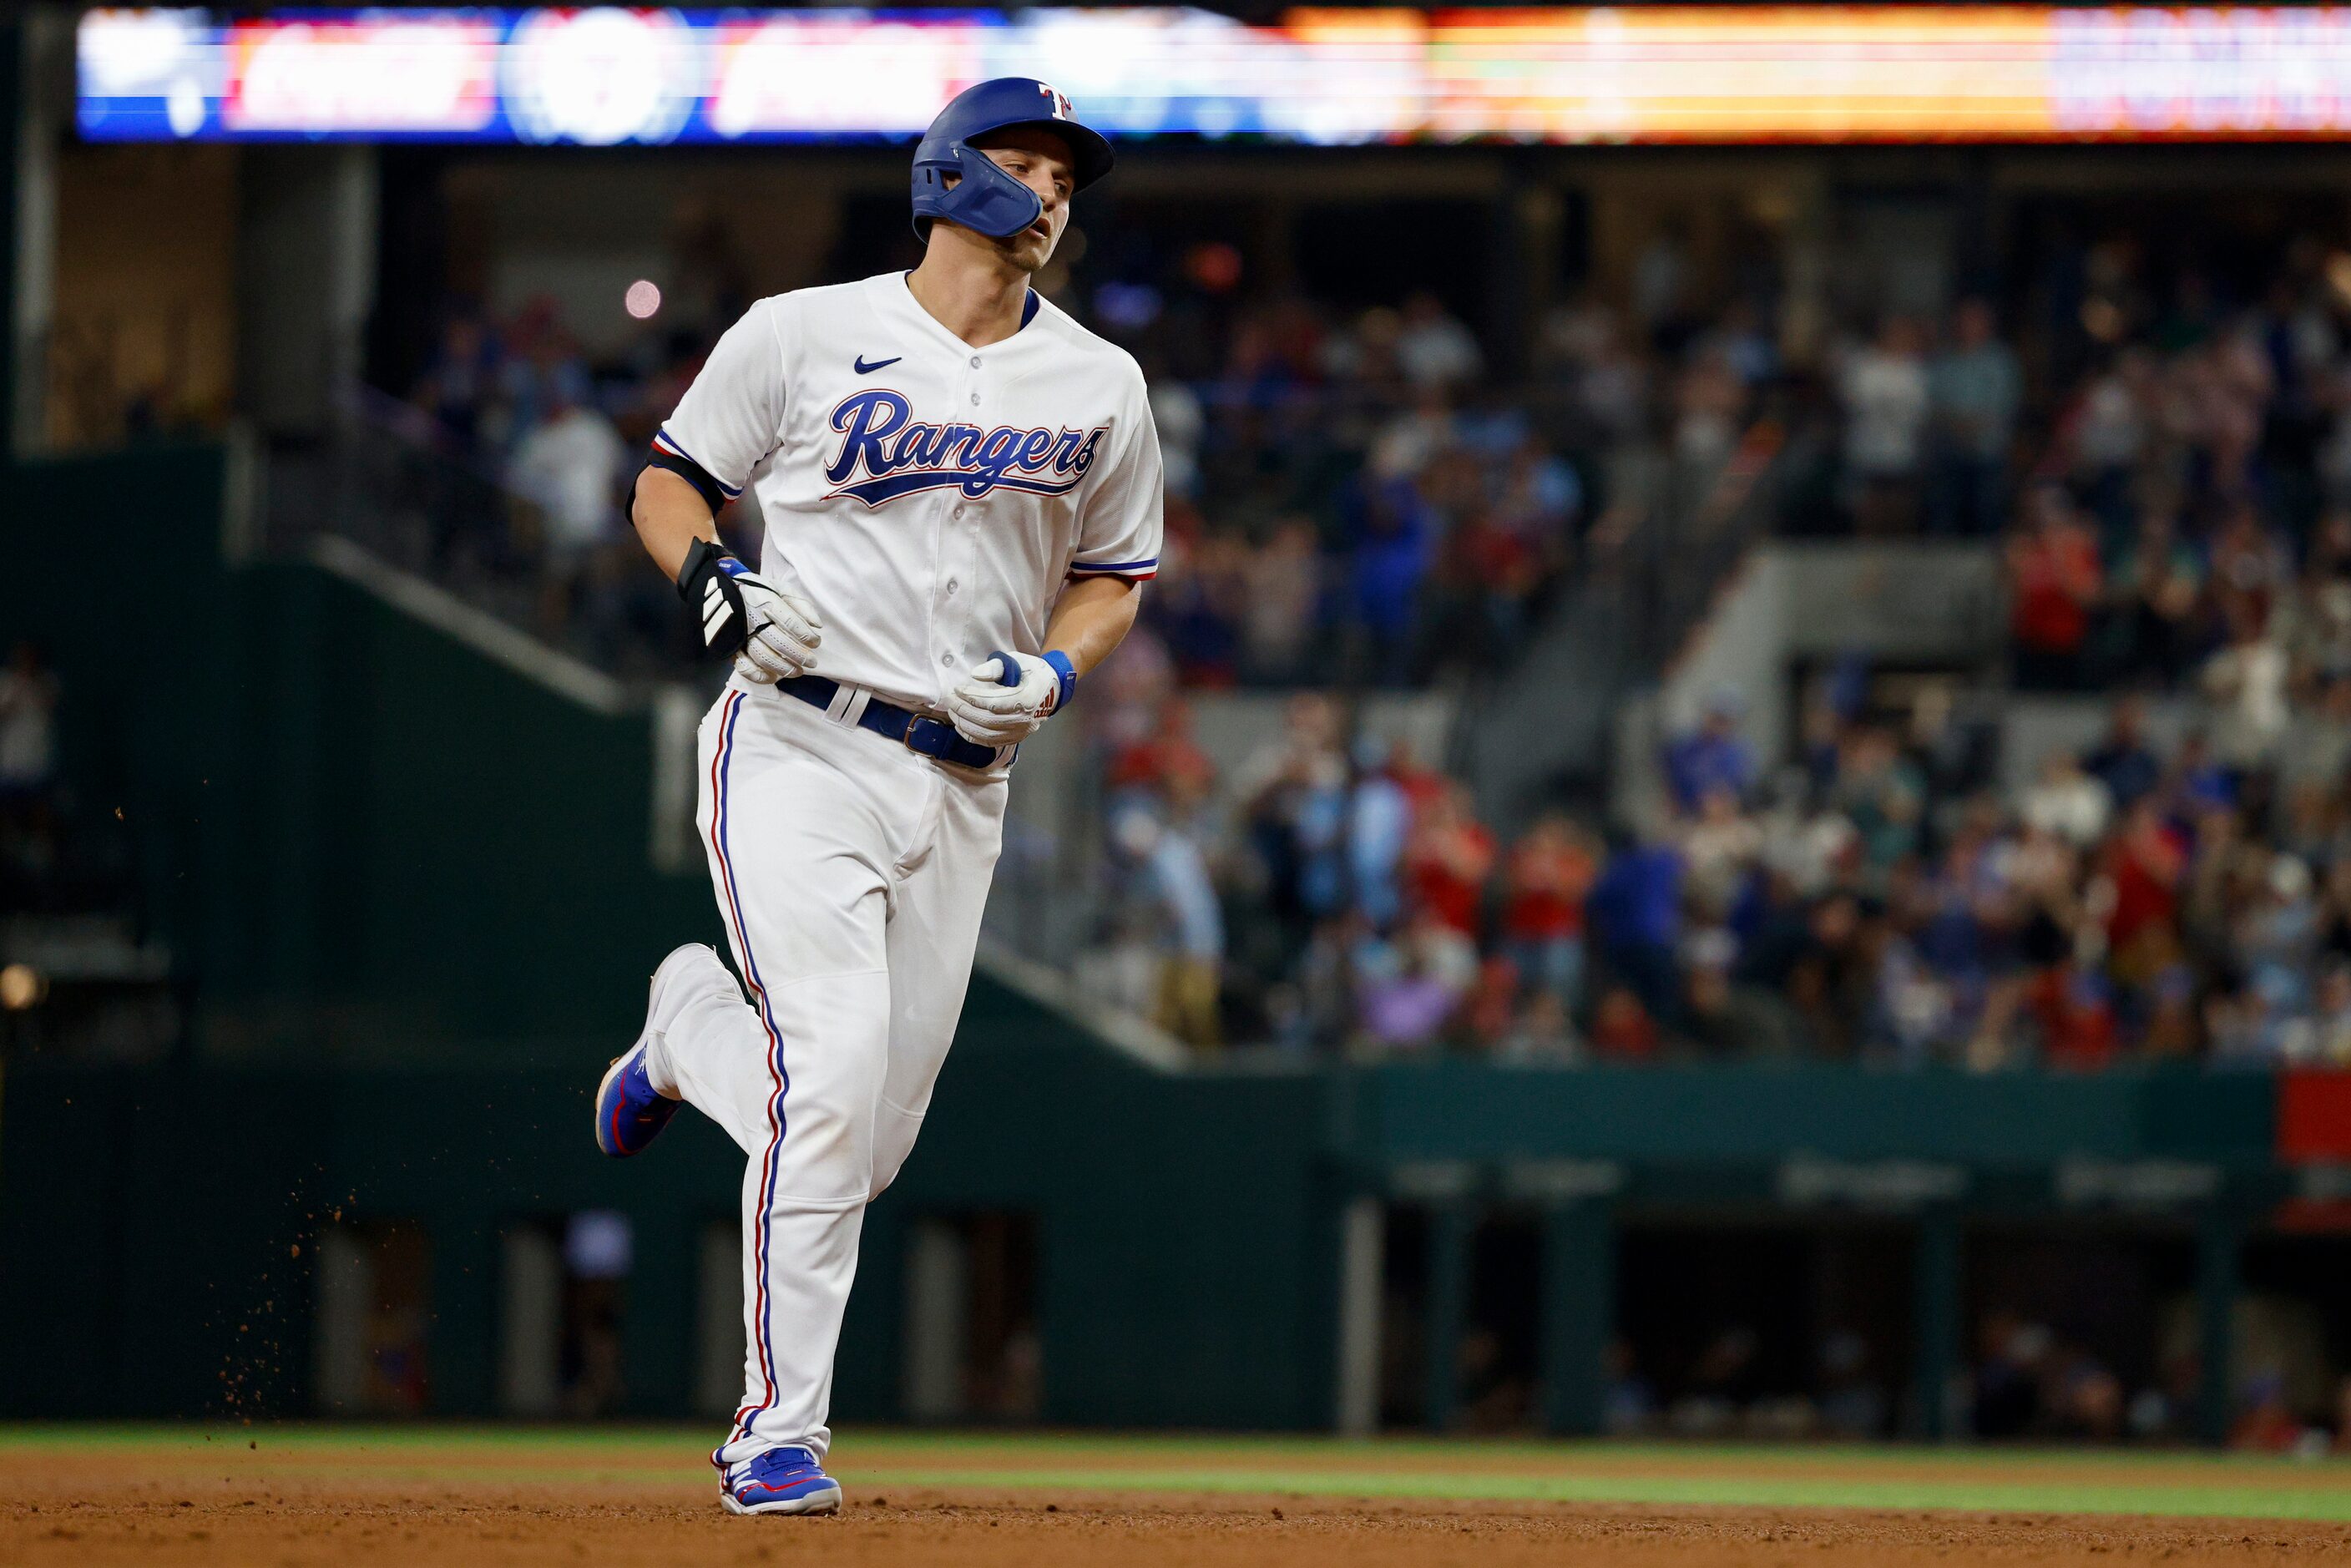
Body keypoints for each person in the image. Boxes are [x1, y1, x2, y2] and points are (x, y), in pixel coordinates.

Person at [590, 79, 1160, 1517]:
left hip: (966, 781)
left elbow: (1115, 578)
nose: (1049, 194)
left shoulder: (1101, 383)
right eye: (1025, 165)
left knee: (868, 1136)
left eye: (1066, 177)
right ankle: (777, 1434)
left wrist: (1055, 670)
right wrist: (712, 581)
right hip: (798, 743)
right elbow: (671, 485)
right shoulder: (803, 331)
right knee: (831, 1078)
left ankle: (687, 1027)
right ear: (948, 176)